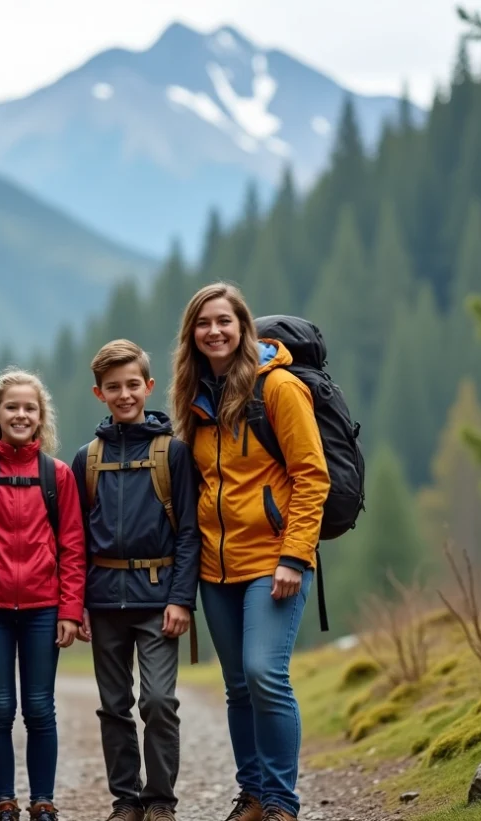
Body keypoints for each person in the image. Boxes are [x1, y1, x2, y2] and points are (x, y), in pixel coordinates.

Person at [167, 283, 330, 821]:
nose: (214, 331)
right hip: (217, 568)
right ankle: (254, 795)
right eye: (203, 323)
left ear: (243, 328)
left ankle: (282, 801)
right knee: (237, 686)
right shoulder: (193, 396)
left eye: (224, 322)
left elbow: (312, 476)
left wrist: (294, 555)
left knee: (264, 674)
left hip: (274, 560)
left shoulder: (278, 388)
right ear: (191, 334)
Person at [0, 367, 87, 821]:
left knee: (41, 708)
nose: (21, 414)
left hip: (45, 610)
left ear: (41, 417)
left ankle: (42, 801)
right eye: (12, 407)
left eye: (30, 408)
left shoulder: (57, 475)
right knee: (0, 708)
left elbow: (73, 548)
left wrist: (70, 609)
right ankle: (3, 802)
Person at [69, 339, 201, 821]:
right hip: (103, 601)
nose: (124, 394)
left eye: (131, 385)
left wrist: (182, 599)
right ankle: (126, 801)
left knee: (160, 701)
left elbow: (189, 533)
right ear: (98, 393)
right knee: (113, 705)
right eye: (112, 387)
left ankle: (160, 801)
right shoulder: (88, 458)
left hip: (159, 599)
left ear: (148, 387)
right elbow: (76, 539)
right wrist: (76, 603)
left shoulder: (175, 454)